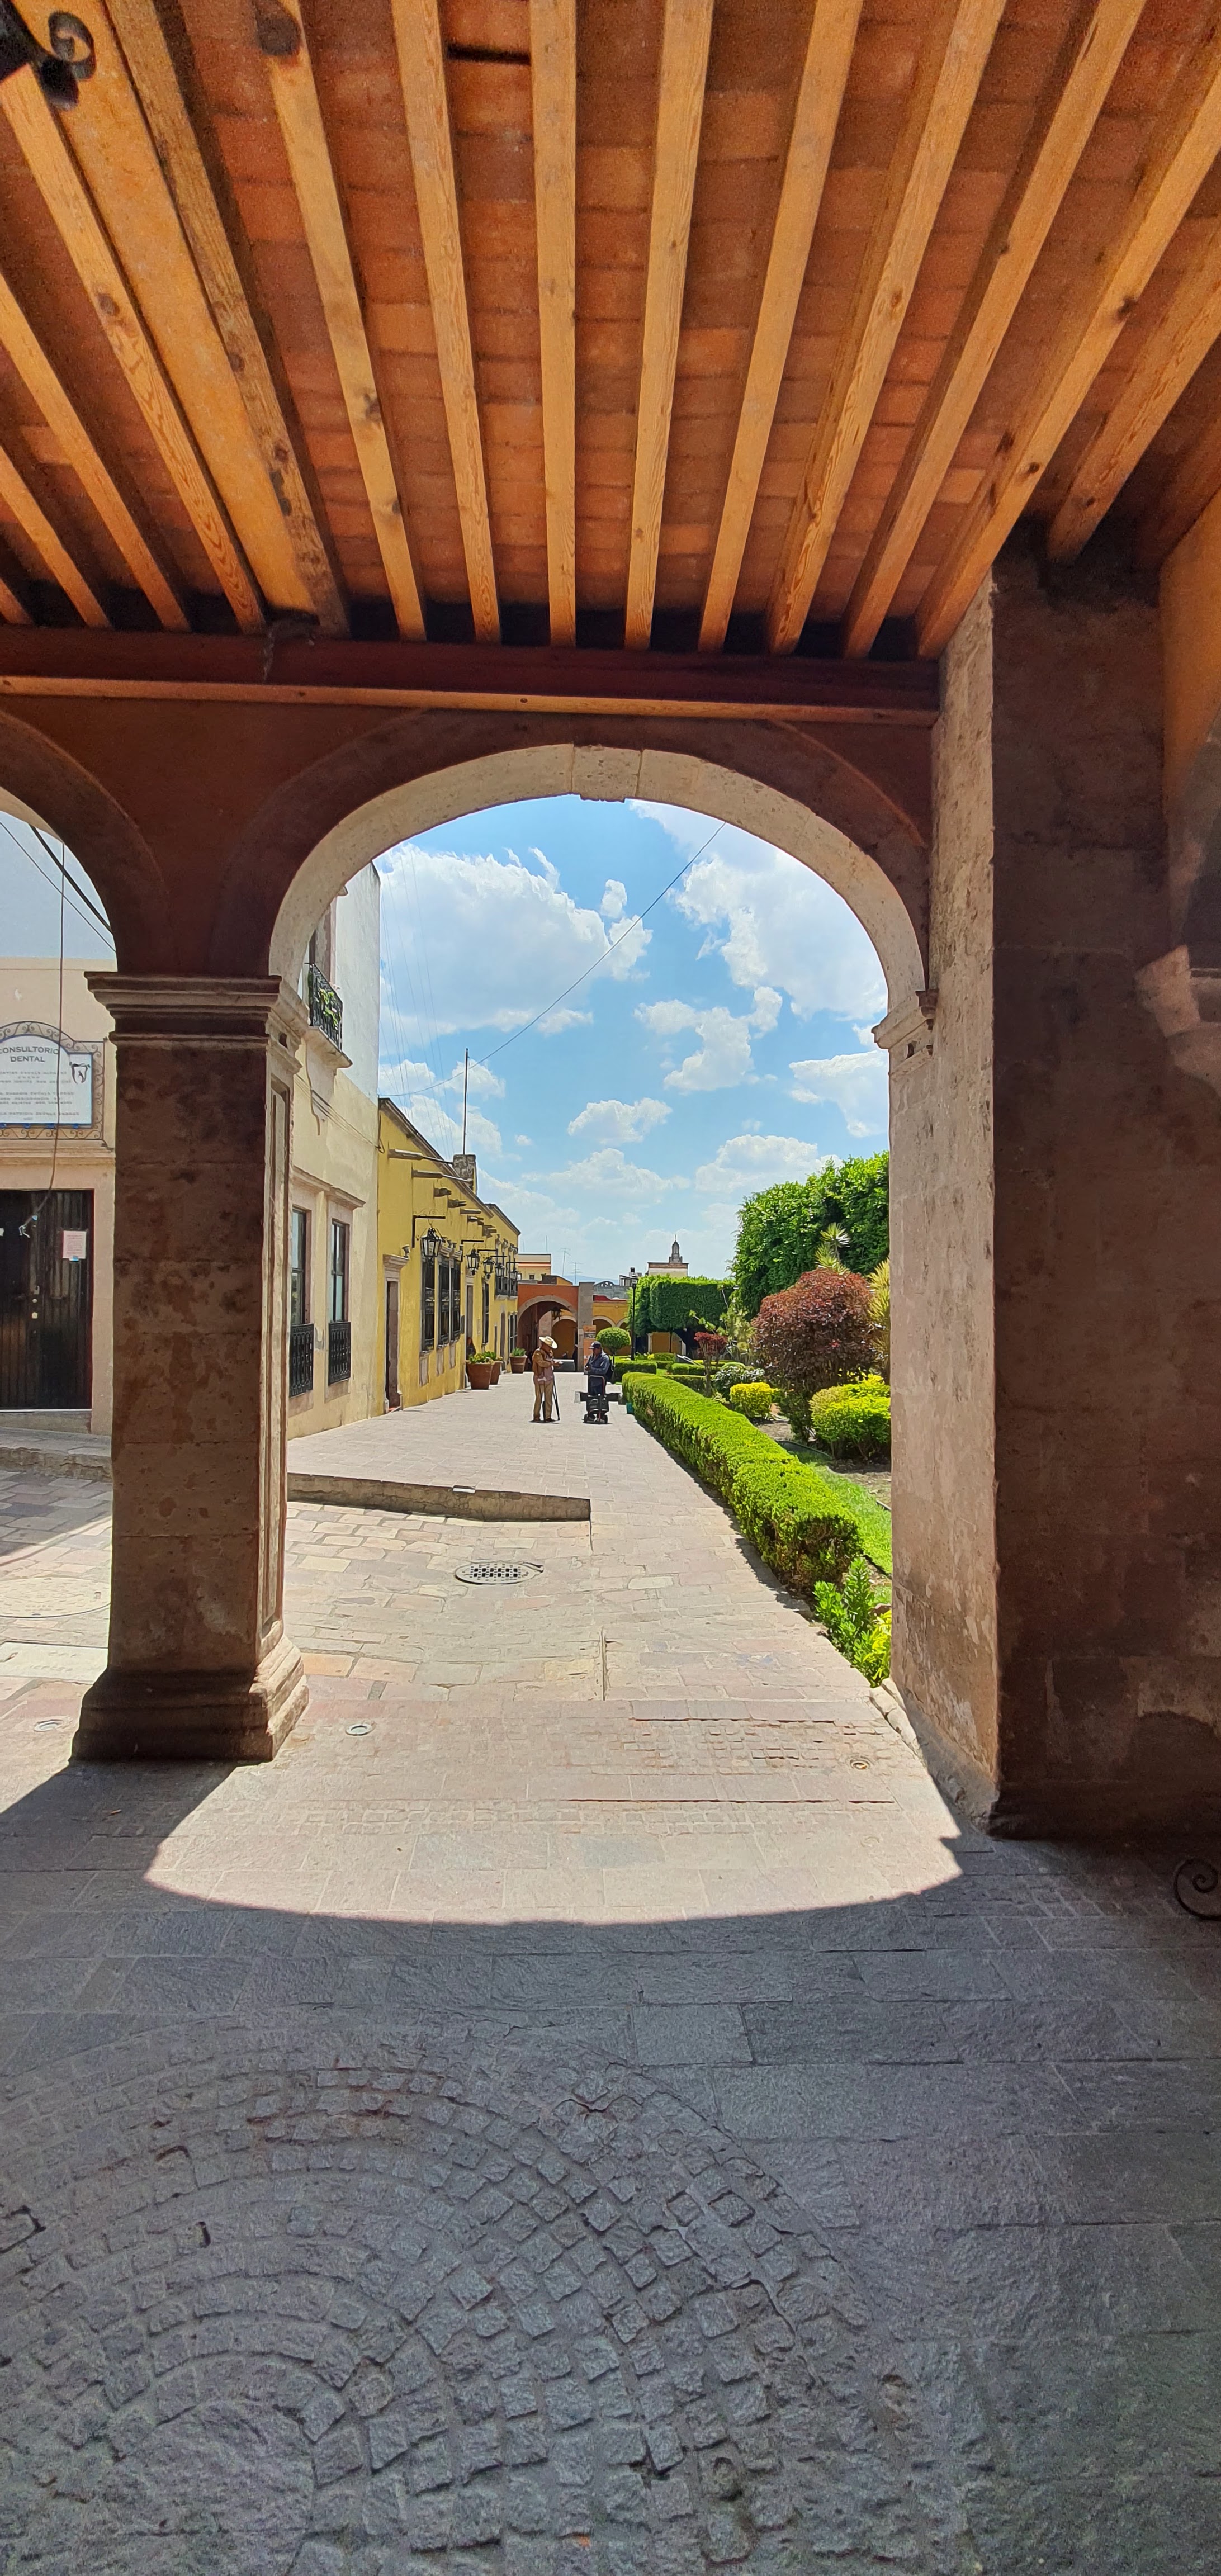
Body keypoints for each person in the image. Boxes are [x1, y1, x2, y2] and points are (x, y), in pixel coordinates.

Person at [532, 1334, 556, 1423]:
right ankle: (536, 1416)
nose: (550, 1348)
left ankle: (548, 1416)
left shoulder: (550, 1353)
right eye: (548, 1346)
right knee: (539, 1397)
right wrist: (551, 1364)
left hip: (549, 1377)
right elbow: (541, 1363)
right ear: (544, 1345)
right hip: (540, 1378)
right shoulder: (538, 1353)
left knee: (549, 1398)